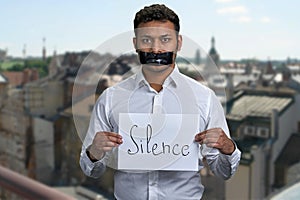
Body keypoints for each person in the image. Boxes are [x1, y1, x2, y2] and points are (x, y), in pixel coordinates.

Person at [80, 4, 241, 199]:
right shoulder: (111, 98)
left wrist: (228, 148)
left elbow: (224, 172)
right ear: (135, 43)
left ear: (178, 43)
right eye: (146, 40)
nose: (156, 49)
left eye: (165, 40)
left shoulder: (205, 98)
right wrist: (94, 151)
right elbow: (91, 171)